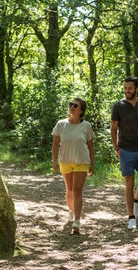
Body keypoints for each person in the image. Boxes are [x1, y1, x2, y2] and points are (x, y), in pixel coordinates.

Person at [110, 76, 138, 230]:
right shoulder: (118, 106)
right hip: (126, 150)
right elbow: (113, 129)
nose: (127, 91)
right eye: (125, 88)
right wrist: (117, 148)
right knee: (129, 184)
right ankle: (131, 217)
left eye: (130, 88)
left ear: (137, 88)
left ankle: (136, 200)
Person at [52, 98, 95, 233]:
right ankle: (71, 210)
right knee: (69, 190)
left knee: (77, 190)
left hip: (81, 161)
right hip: (65, 160)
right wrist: (54, 160)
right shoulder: (61, 124)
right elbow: (55, 143)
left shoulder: (86, 126)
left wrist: (92, 163)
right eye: (70, 104)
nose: (71, 107)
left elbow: (91, 146)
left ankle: (77, 221)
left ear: (81, 110)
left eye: (75, 105)